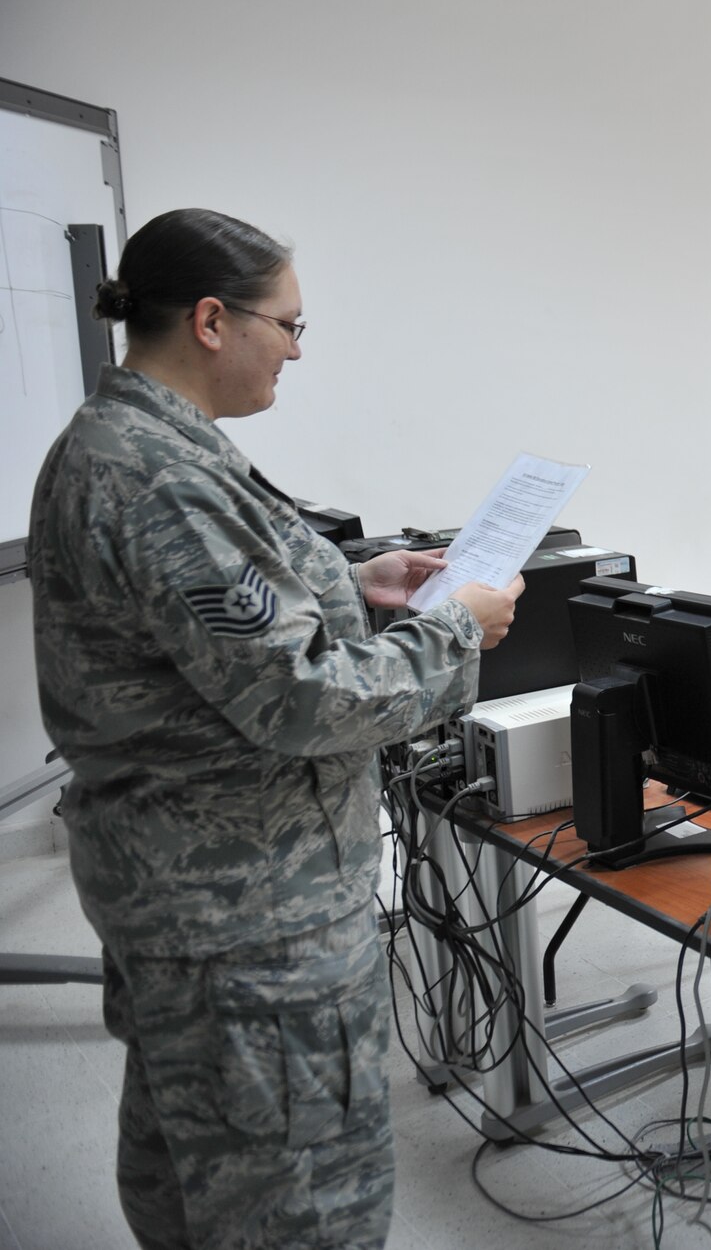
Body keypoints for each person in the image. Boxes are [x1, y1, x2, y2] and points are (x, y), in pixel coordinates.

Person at [27, 209, 525, 1249]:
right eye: (290, 325)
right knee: (293, 1207)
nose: (298, 350)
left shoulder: (136, 441)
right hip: (249, 925)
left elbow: (208, 626)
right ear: (212, 319)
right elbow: (303, 699)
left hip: (190, 903)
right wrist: (457, 634)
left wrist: (354, 580)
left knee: (194, 1173)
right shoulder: (158, 476)